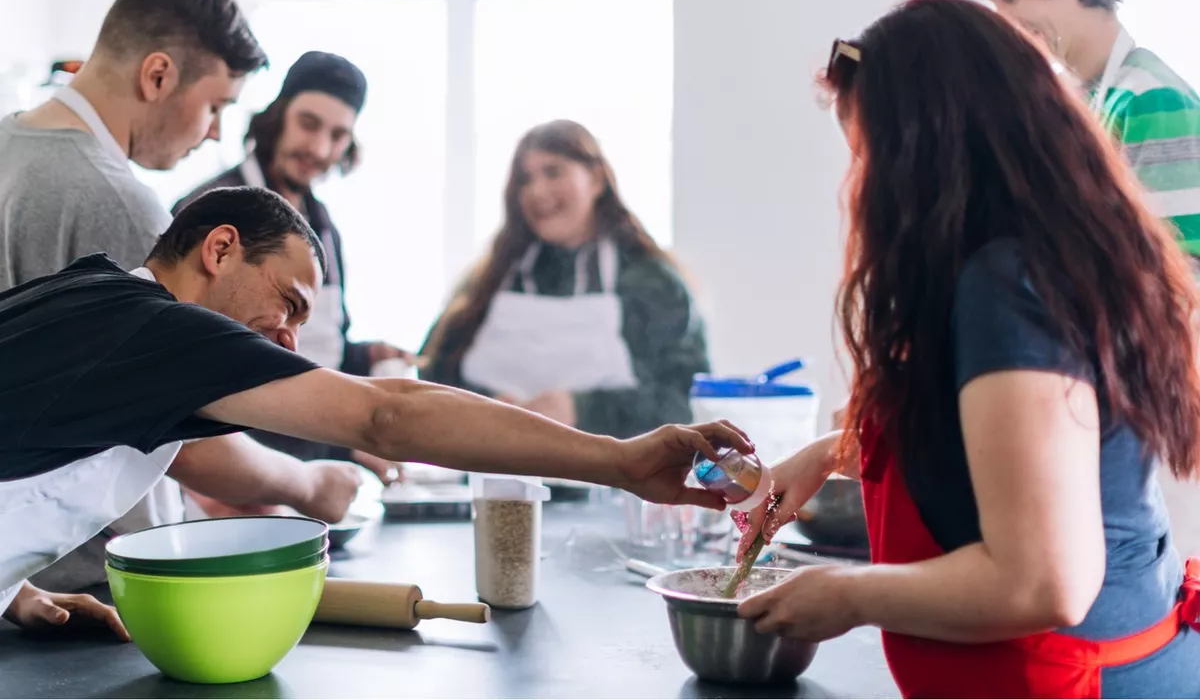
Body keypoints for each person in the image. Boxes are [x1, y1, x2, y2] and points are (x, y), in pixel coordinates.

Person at [0, 185, 748, 639]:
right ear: (221, 249)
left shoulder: (93, 290)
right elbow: (387, 417)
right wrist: (619, 460)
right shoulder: (170, 334)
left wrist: (13, 590)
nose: (289, 338)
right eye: (289, 302)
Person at [734, 0, 1200, 697]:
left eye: (870, 159)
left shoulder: (1010, 287)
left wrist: (849, 594)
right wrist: (826, 455)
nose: (861, 189)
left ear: (932, 155)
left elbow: (1045, 581)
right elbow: (999, 443)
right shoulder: (1033, 259)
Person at [0, 0, 361, 593]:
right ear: (158, 75)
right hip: (90, 583)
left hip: (19, 588)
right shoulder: (118, 202)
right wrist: (308, 483)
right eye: (216, 105)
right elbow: (182, 420)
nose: (216, 129)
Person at [175, 51, 408, 484]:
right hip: (233, 472)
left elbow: (311, 347)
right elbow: (198, 367)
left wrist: (366, 355)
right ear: (278, 115)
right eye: (308, 124)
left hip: (311, 463)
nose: (319, 149)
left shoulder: (324, 227)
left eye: (338, 135)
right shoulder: (211, 210)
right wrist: (343, 446)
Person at [420, 120, 709, 438]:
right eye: (525, 179)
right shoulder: (491, 279)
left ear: (596, 179)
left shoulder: (651, 282)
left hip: (609, 470)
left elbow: (685, 399)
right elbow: (432, 374)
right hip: (493, 464)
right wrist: (485, 404)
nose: (537, 191)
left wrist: (582, 409)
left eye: (553, 172)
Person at [965, 0, 1200, 257]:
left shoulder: (1149, 98)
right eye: (991, 3)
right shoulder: (1065, 100)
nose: (999, 19)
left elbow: (1184, 271)